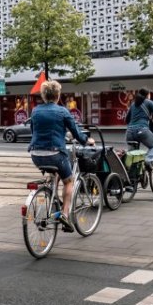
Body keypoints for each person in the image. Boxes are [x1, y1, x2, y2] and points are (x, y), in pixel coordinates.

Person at [28, 80, 93, 233]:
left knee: (55, 172)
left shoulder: (35, 111)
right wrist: (86, 140)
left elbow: (34, 131)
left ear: (44, 96)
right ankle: (64, 213)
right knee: (69, 180)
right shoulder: (62, 111)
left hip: (36, 154)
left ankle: (52, 194)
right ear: (58, 95)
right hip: (55, 153)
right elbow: (76, 132)